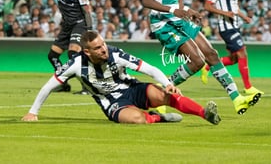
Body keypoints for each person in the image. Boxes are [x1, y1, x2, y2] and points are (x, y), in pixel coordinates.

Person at [141, 0, 261, 115]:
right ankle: (163, 88)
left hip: (177, 19)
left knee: (211, 54)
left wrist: (187, 10)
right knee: (197, 61)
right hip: (163, 24)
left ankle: (237, 99)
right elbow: (147, 0)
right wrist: (175, 11)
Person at [21, 30, 220, 125]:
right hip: (111, 103)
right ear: (87, 52)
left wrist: (168, 84)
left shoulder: (116, 54)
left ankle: (205, 114)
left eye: (104, 44)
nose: (104, 49)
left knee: (164, 96)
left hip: (133, 89)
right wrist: (33, 112)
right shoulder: (75, 65)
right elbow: (49, 86)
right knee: (137, 120)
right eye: (98, 48)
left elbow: (149, 69)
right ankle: (158, 118)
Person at [33, 0, 92, 94]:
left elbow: (87, 10)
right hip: (67, 26)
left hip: (79, 24)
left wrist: (89, 30)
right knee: (52, 56)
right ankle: (63, 82)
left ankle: (86, 86)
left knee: (73, 54)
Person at [204, 0, 263, 95]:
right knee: (242, 52)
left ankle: (208, 66)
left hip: (235, 25)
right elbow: (207, 6)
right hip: (226, 28)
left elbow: (235, 7)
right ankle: (248, 87)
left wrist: (244, 16)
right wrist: (225, 13)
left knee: (234, 59)